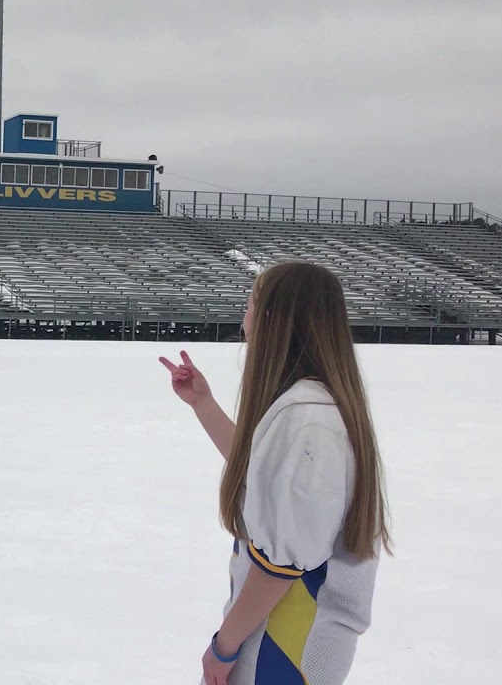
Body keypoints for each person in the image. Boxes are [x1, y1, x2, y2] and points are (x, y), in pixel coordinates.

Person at [158, 260, 392, 685]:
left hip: (288, 641)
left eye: (247, 304)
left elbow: (281, 564)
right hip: (283, 632)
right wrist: (203, 404)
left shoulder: (308, 420)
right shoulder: (309, 405)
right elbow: (263, 476)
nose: (242, 317)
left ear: (271, 319)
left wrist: (222, 647)